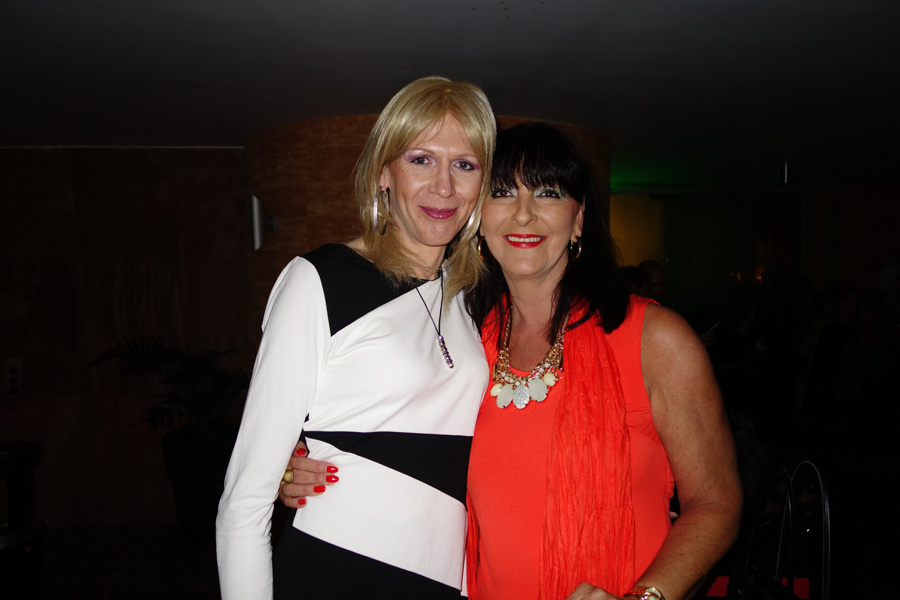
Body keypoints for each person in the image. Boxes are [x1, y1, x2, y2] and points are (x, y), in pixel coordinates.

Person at [281, 123, 742, 600]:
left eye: (547, 192)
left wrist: (645, 598)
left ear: (578, 219)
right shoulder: (463, 345)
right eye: (502, 192)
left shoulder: (653, 339)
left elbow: (716, 502)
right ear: (478, 218)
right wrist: (304, 462)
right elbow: (397, 441)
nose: (523, 214)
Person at [215, 76, 497, 600]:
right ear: (383, 172)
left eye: (465, 165)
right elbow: (244, 500)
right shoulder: (319, 279)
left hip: (442, 577)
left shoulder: (468, 297)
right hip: (333, 567)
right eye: (421, 159)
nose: (444, 187)